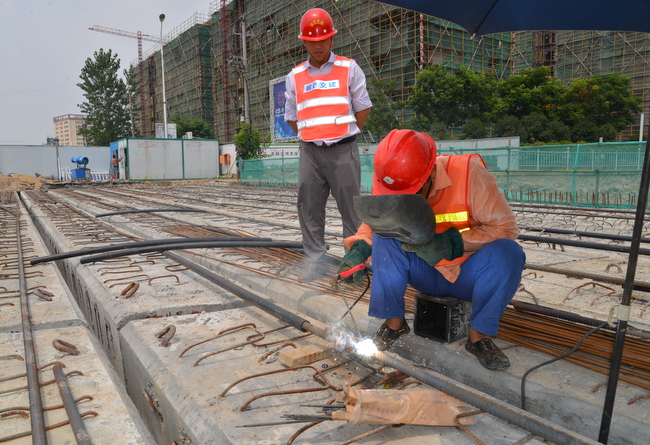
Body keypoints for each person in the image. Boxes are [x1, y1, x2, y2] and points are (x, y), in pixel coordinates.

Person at [338, 129, 525, 371]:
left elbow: (506, 228)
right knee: (384, 239)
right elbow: (376, 223)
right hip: (423, 270)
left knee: (509, 253)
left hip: (466, 273)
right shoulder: (392, 180)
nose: (400, 201)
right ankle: (394, 324)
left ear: (429, 175)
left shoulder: (469, 175)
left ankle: (479, 337)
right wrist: (360, 247)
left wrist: (453, 243)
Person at [284, 8, 372, 281]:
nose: (318, 45)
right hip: (310, 152)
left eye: (323, 39)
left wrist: (346, 133)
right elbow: (291, 117)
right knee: (308, 206)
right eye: (312, 40)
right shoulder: (295, 76)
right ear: (304, 43)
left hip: (343, 149)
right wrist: (312, 134)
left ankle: (354, 261)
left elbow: (363, 108)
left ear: (332, 40)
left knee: (352, 209)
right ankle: (315, 259)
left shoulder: (349, 68)